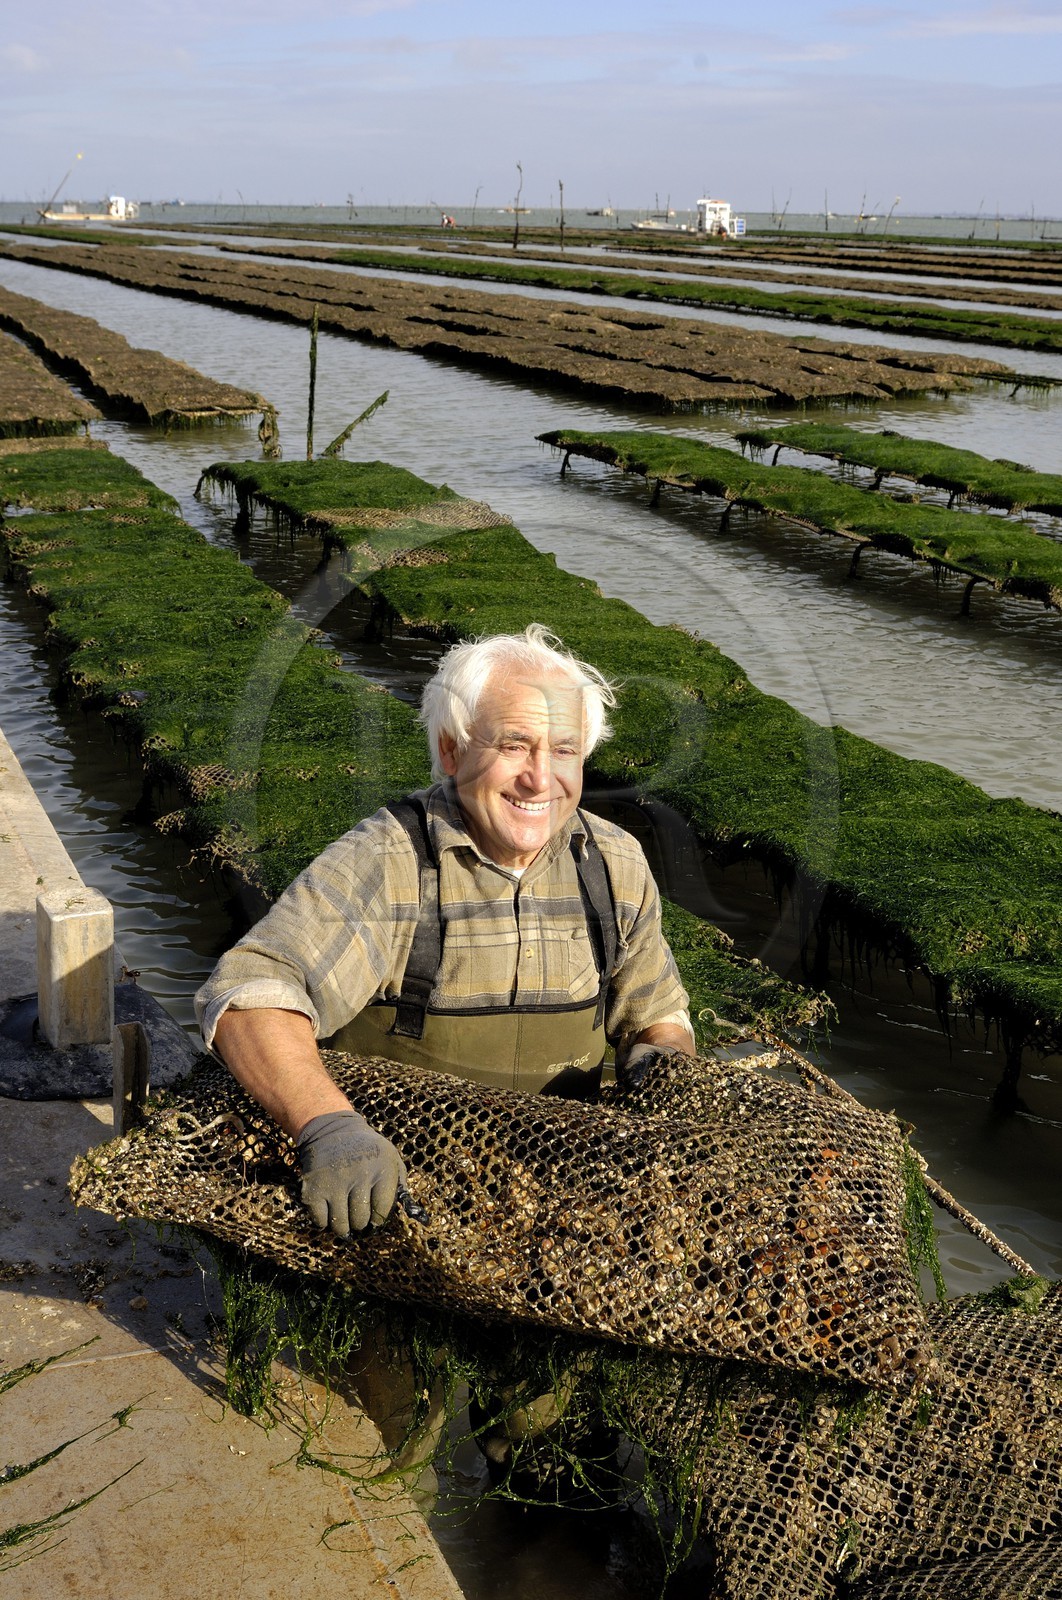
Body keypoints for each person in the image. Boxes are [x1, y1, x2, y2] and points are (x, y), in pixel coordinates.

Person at [196, 623, 694, 1239]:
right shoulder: (389, 862)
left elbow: (658, 1013)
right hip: (390, 1208)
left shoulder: (614, 864)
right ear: (452, 749)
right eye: (515, 745)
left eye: (563, 750)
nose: (541, 779)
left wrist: (663, 1063)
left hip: (559, 1215)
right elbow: (249, 992)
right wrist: (327, 1126)